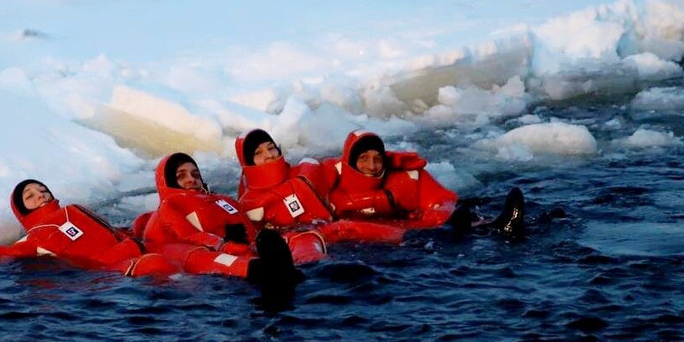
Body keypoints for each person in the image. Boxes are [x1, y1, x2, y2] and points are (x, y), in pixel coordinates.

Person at [0, 179, 176, 277]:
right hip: (118, 271)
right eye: (31, 195)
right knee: (157, 265)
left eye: (42, 190)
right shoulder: (36, 237)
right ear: (23, 209)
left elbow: (113, 231)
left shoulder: (75, 210)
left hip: (139, 248)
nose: (40, 195)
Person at [142, 153, 303, 291]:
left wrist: (256, 244)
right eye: (181, 176)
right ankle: (257, 269)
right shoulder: (169, 206)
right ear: (169, 181)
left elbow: (251, 233)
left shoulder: (223, 200)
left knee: (272, 239)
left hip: (236, 250)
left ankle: (286, 265)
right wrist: (222, 245)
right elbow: (187, 234)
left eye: (195, 174)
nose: (191, 179)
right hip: (198, 254)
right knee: (203, 256)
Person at [324, 130, 525, 238]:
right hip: (373, 246)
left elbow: (444, 200)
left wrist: (449, 217)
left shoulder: (406, 178)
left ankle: (496, 227)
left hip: (415, 232)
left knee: (455, 218)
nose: (372, 166)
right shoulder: (331, 183)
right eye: (363, 159)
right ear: (350, 161)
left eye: (377, 158)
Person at [234, 129, 404, 246]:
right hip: (300, 245)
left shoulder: (305, 170)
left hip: (340, 234)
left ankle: (407, 238)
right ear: (248, 163)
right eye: (258, 153)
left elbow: (350, 164)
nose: (269, 155)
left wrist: (392, 161)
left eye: (271, 148)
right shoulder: (250, 204)